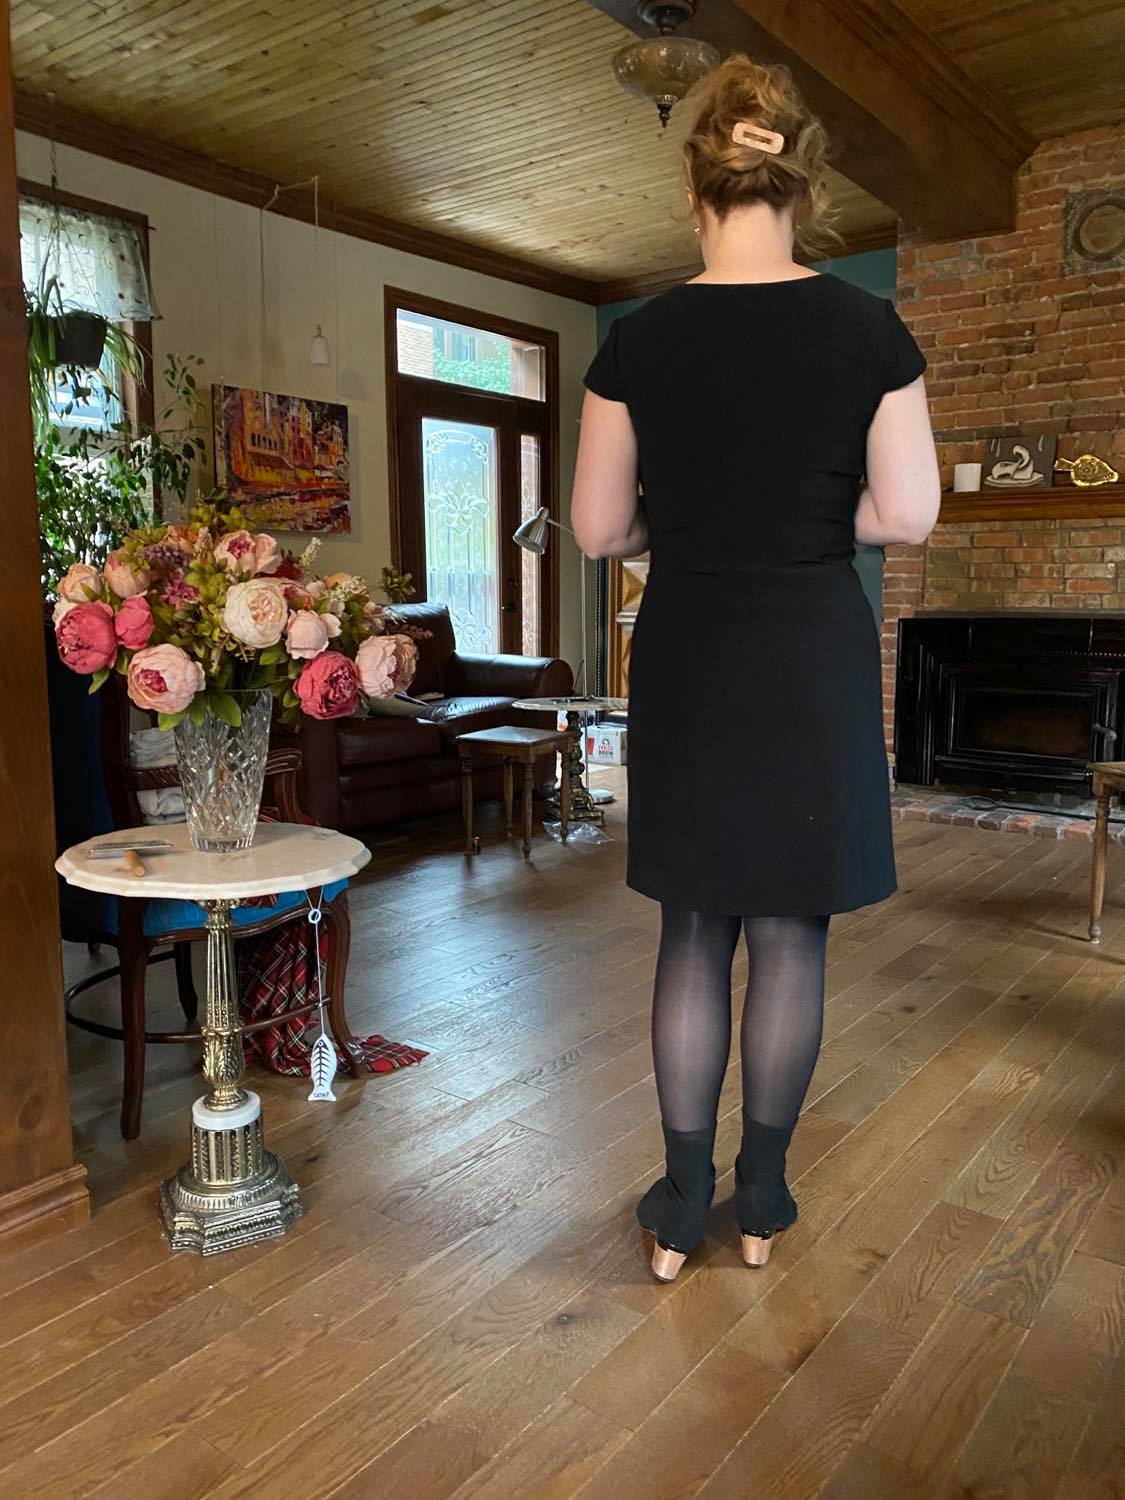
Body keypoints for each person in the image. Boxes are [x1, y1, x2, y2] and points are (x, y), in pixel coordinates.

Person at [570, 55, 941, 1282]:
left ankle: (681, 1208)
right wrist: (818, 518)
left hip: (691, 647)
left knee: (694, 926)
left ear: (696, 194)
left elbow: (599, 530)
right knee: (790, 932)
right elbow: (911, 512)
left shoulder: (636, 343)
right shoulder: (869, 331)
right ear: (807, 189)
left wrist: (683, 526)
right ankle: (763, 1199)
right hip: (808, 654)